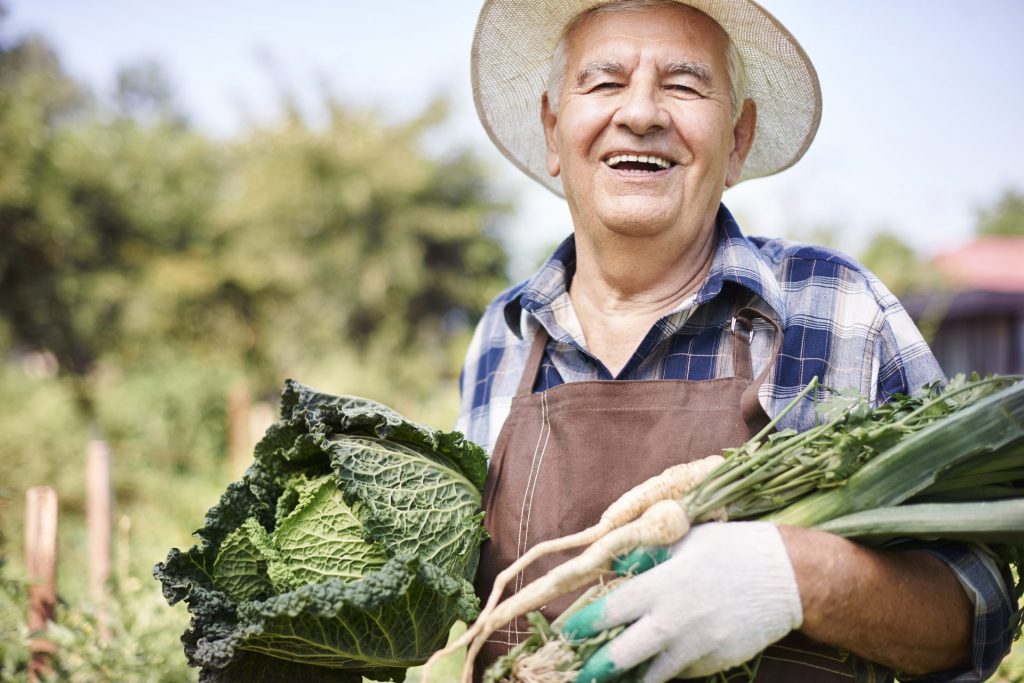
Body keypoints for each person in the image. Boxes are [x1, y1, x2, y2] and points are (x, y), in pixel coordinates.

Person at [457, 0, 1015, 681]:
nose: (640, 113)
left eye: (684, 85)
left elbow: (979, 610)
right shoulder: (499, 338)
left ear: (738, 138)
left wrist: (800, 577)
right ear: (552, 128)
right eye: (604, 82)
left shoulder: (837, 308)